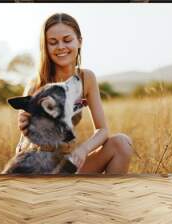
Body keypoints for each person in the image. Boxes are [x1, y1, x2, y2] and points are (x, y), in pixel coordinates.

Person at [16, 13, 133, 174]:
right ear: (45, 47)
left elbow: (103, 130)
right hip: (38, 166)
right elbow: (26, 134)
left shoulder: (86, 78)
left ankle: (108, 198)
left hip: (67, 163)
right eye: (52, 42)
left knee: (122, 143)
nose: (60, 47)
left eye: (67, 40)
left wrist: (83, 150)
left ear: (79, 41)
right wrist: (26, 125)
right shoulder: (36, 83)